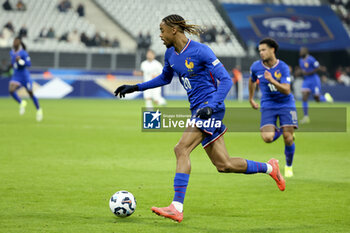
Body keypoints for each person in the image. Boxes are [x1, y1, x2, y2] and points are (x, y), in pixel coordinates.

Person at [114, 14, 285, 223]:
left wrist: (211, 106)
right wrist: (136, 87)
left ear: (174, 30)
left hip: (210, 107)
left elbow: (225, 80)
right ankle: (270, 168)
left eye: (162, 30)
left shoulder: (201, 51)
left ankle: (176, 207)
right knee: (224, 164)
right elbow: (165, 78)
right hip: (198, 109)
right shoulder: (170, 54)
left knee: (181, 149)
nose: (160, 35)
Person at [249, 38, 297, 178]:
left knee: (288, 139)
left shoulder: (283, 67)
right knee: (267, 138)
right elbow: (252, 81)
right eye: (260, 51)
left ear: (272, 50)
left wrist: (272, 80)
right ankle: (284, 130)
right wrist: (251, 98)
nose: (261, 53)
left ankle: (288, 166)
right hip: (268, 104)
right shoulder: (256, 67)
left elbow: (287, 90)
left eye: (264, 50)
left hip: (286, 104)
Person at [9, 37, 43, 121]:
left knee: (30, 93)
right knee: (11, 90)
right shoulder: (11, 52)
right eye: (14, 41)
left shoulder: (23, 53)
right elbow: (13, 63)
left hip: (24, 76)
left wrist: (20, 61)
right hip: (16, 75)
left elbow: (28, 64)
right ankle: (21, 102)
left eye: (16, 41)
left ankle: (39, 110)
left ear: (19, 43)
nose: (14, 42)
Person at [299, 47, 333, 124]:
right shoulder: (300, 60)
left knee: (317, 99)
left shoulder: (311, 59)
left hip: (314, 80)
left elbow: (317, 67)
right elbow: (303, 69)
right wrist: (302, 72)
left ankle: (326, 98)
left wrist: (309, 72)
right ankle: (306, 117)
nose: (300, 52)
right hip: (306, 81)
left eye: (302, 51)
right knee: (304, 97)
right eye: (300, 51)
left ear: (306, 51)